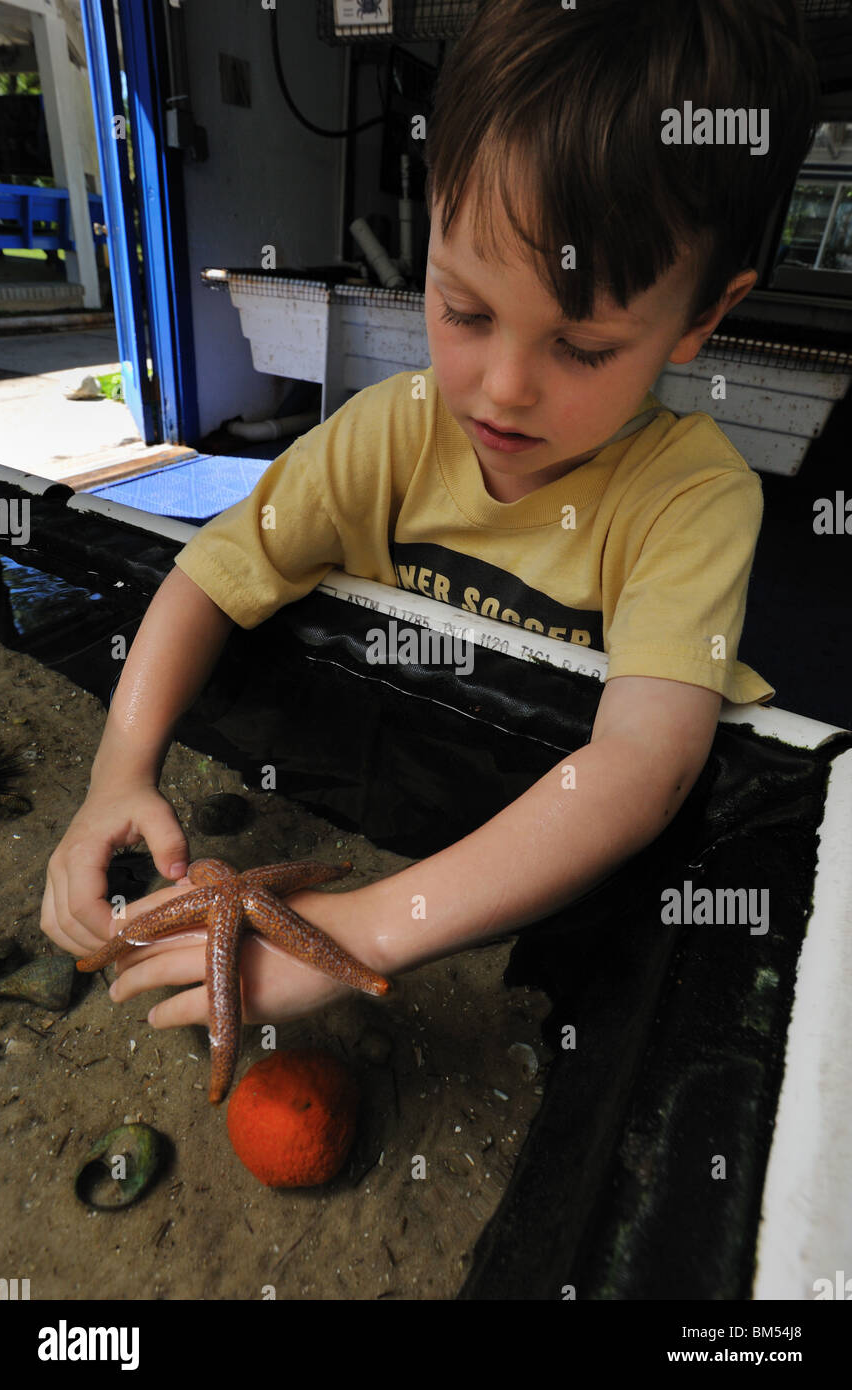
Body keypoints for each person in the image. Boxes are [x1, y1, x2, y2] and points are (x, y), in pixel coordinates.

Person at [40, 0, 820, 1036]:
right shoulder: (391, 433)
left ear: (703, 316)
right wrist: (119, 770)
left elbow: (641, 766)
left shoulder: (691, 497)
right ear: (432, 238)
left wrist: (362, 929)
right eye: (463, 310)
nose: (502, 389)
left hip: (541, 887)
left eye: (582, 349)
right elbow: (210, 574)